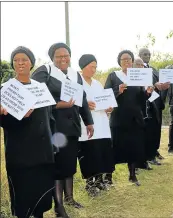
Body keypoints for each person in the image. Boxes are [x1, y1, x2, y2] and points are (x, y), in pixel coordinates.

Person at [31, 42, 94, 217]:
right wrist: (59, 105)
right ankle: (59, 206)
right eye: (59, 56)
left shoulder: (75, 75)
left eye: (66, 55)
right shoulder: (45, 71)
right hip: (55, 128)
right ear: (52, 57)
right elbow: (35, 97)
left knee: (69, 164)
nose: (63, 58)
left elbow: (82, 98)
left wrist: (88, 121)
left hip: (72, 127)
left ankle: (69, 198)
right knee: (58, 167)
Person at [0, 46, 55, 218]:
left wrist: (52, 144)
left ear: (31, 63)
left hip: (43, 152)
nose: (20, 63)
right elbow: (4, 122)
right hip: (21, 154)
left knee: (41, 196)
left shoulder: (41, 88)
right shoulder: (6, 89)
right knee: (22, 198)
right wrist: (20, 117)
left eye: (24, 59)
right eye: (16, 60)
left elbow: (49, 117)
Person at [104, 50, 154, 186]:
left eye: (129, 59)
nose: (127, 61)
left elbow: (140, 98)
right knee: (115, 148)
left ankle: (132, 176)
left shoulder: (137, 76)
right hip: (118, 119)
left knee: (134, 147)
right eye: (123, 59)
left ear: (132, 61)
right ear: (119, 62)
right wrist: (118, 91)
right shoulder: (113, 76)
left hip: (135, 119)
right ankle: (108, 177)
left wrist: (147, 93)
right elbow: (106, 95)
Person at [77, 54, 115, 197]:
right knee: (89, 155)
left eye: (95, 67)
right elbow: (71, 101)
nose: (94, 70)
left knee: (102, 153)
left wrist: (108, 107)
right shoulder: (77, 82)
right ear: (83, 67)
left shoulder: (97, 84)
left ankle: (99, 180)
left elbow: (104, 101)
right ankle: (90, 185)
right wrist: (85, 104)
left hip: (102, 124)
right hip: (86, 125)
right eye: (91, 66)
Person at [139, 48, 170, 163]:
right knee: (147, 131)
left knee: (156, 129)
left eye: (149, 54)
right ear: (139, 55)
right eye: (144, 54)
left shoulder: (154, 70)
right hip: (146, 104)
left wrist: (164, 86)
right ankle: (147, 156)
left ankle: (154, 151)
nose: (147, 56)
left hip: (157, 103)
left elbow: (160, 85)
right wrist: (154, 85)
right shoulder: (136, 70)